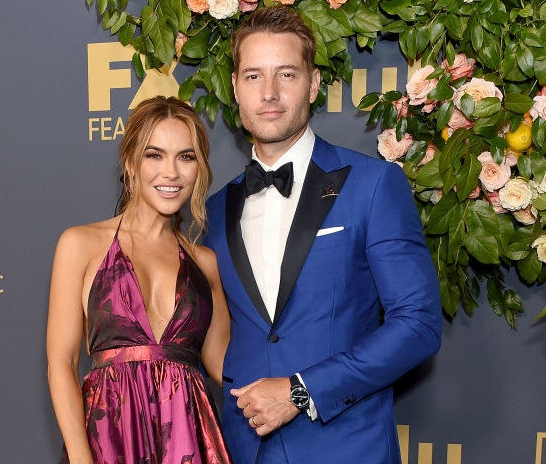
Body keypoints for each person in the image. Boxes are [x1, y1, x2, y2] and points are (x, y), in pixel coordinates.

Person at [203, 6, 442, 463]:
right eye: (253, 76)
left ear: (313, 84)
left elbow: (418, 324)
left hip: (347, 447)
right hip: (244, 449)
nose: (269, 93)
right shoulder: (213, 210)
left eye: (286, 74)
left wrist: (299, 391)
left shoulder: (373, 186)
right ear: (234, 88)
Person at [46, 96, 232, 464]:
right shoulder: (80, 245)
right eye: (155, 155)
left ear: (200, 168)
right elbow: (61, 364)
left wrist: (306, 386)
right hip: (108, 442)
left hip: (189, 441)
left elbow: (227, 366)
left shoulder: (205, 263)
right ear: (130, 161)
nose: (171, 173)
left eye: (186, 157)